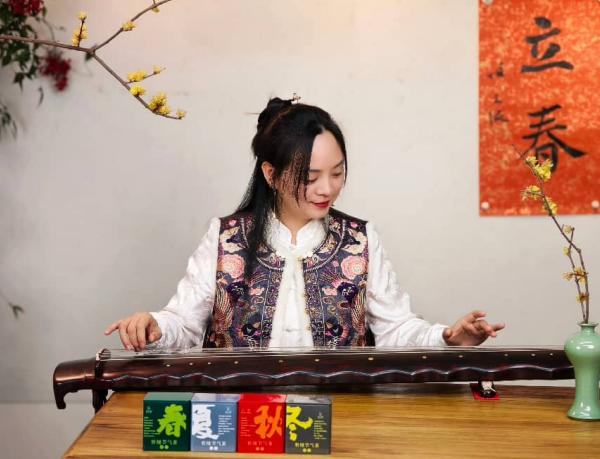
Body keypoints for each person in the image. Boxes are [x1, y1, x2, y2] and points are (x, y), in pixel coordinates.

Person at [105, 94, 504, 352]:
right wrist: (154, 326)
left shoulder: (360, 239)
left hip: (340, 417)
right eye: (309, 177)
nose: (326, 189)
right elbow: (185, 323)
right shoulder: (226, 238)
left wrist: (446, 337)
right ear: (271, 173)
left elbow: (395, 329)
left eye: (337, 173)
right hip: (243, 419)